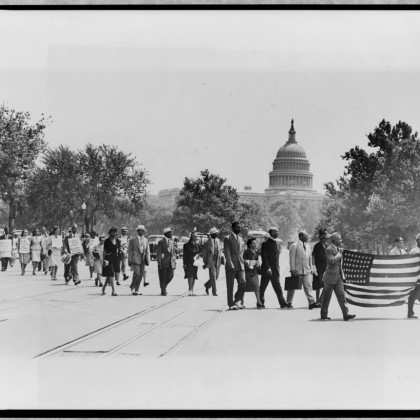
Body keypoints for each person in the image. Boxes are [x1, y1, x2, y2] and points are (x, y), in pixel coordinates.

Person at [320, 232, 356, 321]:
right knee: (326, 297)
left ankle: (346, 314)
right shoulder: (329, 249)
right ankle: (324, 314)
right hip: (330, 277)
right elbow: (332, 261)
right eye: (339, 239)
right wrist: (339, 254)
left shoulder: (339, 249)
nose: (341, 240)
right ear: (334, 240)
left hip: (339, 276)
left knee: (342, 296)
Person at [288, 230, 320, 310]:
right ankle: (289, 301)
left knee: (308, 286)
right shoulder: (294, 245)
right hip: (297, 269)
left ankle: (311, 302)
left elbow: (310, 258)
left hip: (307, 270)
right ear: (301, 237)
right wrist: (292, 269)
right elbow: (292, 258)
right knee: (293, 286)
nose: (307, 237)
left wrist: (311, 269)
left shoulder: (308, 246)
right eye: (306, 236)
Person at [260, 227, 290, 309]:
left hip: (275, 269)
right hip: (267, 269)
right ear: (272, 232)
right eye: (276, 231)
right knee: (263, 287)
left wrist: (277, 268)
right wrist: (268, 268)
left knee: (277, 286)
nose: (278, 233)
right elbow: (264, 257)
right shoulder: (265, 243)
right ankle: (260, 303)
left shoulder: (276, 242)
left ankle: (283, 303)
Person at [223, 221, 246, 310]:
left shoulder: (240, 238)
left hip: (240, 265)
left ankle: (237, 300)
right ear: (233, 228)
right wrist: (230, 263)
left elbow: (241, 252)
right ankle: (231, 304)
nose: (239, 229)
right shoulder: (227, 238)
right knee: (230, 286)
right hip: (231, 266)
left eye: (240, 227)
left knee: (243, 283)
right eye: (237, 227)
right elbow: (227, 252)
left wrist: (243, 262)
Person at [128, 224, 150, 295]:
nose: (141, 232)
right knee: (137, 273)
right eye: (140, 230)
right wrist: (129, 259)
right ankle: (132, 287)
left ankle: (137, 289)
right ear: (137, 231)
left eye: (142, 231)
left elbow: (147, 250)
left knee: (140, 274)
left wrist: (148, 260)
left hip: (143, 259)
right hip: (135, 258)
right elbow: (130, 251)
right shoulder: (133, 240)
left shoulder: (146, 240)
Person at [243, 237, 264, 308]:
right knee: (244, 287)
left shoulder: (256, 252)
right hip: (247, 272)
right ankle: (241, 302)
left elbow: (257, 262)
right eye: (254, 243)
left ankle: (259, 302)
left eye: (255, 243)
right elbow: (244, 261)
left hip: (255, 272)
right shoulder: (246, 252)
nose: (255, 244)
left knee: (256, 287)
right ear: (250, 245)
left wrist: (259, 268)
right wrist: (252, 263)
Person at [312, 229, 331, 304]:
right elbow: (313, 257)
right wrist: (313, 267)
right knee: (318, 283)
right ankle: (317, 300)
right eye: (326, 238)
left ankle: (321, 299)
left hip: (326, 267)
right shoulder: (317, 246)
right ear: (322, 238)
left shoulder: (327, 246)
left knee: (326, 284)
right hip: (318, 267)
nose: (327, 239)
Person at [202, 227, 223, 296]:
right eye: (215, 233)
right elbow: (204, 254)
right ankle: (214, 292)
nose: (217, 234)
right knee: (213, 276)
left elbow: (220, 250)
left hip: (217, 260)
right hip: (211, 261)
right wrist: (205, 262)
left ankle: (207, 285)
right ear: (212, 234)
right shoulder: (207, 242)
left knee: (216, 276)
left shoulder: (218, 240)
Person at [156, 227, 177, 296]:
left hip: (171, 263)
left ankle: (163, 287)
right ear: (166, 234)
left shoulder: (171, 242)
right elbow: (159, 253)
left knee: (171, 276)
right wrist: (159, 263)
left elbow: (173, 253)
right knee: (163, 277)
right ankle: (163, 290)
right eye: (170, 233)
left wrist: (174, 263)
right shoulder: (161, 242)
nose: (171, 234)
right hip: (163, 262)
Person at [102, 226, 122, 296]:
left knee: (109, 275)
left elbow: (119, 249)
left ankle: (104, 287)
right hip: (108, 259)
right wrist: (104, 260)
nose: (114, 233)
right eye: (112, 232)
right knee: (111, 274)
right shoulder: (107, 241)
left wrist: (121, 251)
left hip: (116, 259)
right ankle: (113, 291)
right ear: (110, 233)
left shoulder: (118, 240)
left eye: (115, 232)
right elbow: (104, 251)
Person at [183, 231, 201, 296]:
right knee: (190, 275)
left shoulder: (198, 244)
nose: (196, 237)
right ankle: (190, 290)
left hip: (195, 262)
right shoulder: (186, 245)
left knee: (194, 276)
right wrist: (184, 263)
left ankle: (192, 290)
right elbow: (184, 255)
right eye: (195, 236)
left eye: (196, 236)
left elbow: (200, 252)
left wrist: (198, 256)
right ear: (192, 237)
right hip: (188, 262)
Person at [407, 233, 420, 318]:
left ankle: (410, 312)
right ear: (417, 241)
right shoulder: (414, 251)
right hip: (415, 276)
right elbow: (410, 263)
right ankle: (410, 312)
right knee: (412, 296)